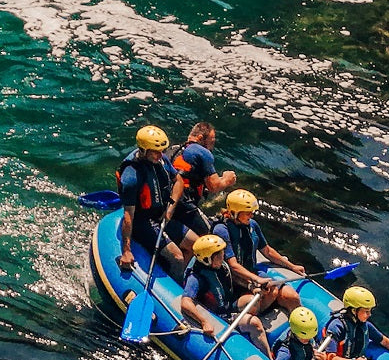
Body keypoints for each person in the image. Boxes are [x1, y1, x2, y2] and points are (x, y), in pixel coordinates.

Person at [179, 234, 273, 359]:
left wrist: (251, 287)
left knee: (253, 301)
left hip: (228, 304)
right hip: (219, 315)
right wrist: (204, 321)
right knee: (255, 323)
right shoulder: (196, 277)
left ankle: (247, 334)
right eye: (218, 254)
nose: (222, 255)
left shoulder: (220, 265)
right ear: (208, 259)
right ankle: (269, 359)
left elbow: (232, 277)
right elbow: (185, 302)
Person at [213, 189, 303, 316]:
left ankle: (299, 333)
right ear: (234, 212)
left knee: (292, 297)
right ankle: (251, 320)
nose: (252, 215)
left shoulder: (252, 225)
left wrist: (292, 266)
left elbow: (267, 250)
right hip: (234, 281)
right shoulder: (221, 230)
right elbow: (233, 266)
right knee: (260, 300)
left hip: (252, 272)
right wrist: (257, 280)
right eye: (247, 212)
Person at [117, 125, 188, 280]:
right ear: (143, 150)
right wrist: (126, 250)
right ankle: (176, 287)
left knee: (194, 244)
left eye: (161, 151)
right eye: (155, 151)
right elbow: (128, 216)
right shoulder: (131, 177)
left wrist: (169, 209)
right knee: (177, 258)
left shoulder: (161, 160)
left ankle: (177, 276)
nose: (159, 155)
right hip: (142, 221)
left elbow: (178, 181)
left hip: (162, 214)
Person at [167, 122, 237, 252]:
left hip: (168, 202)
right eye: (212, 141)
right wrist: (227, 179)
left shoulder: (174, 149)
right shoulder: (202, 152)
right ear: (200, 138)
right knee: (212, 240)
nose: (212, 146)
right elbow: (214, 186)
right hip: (184, 207)